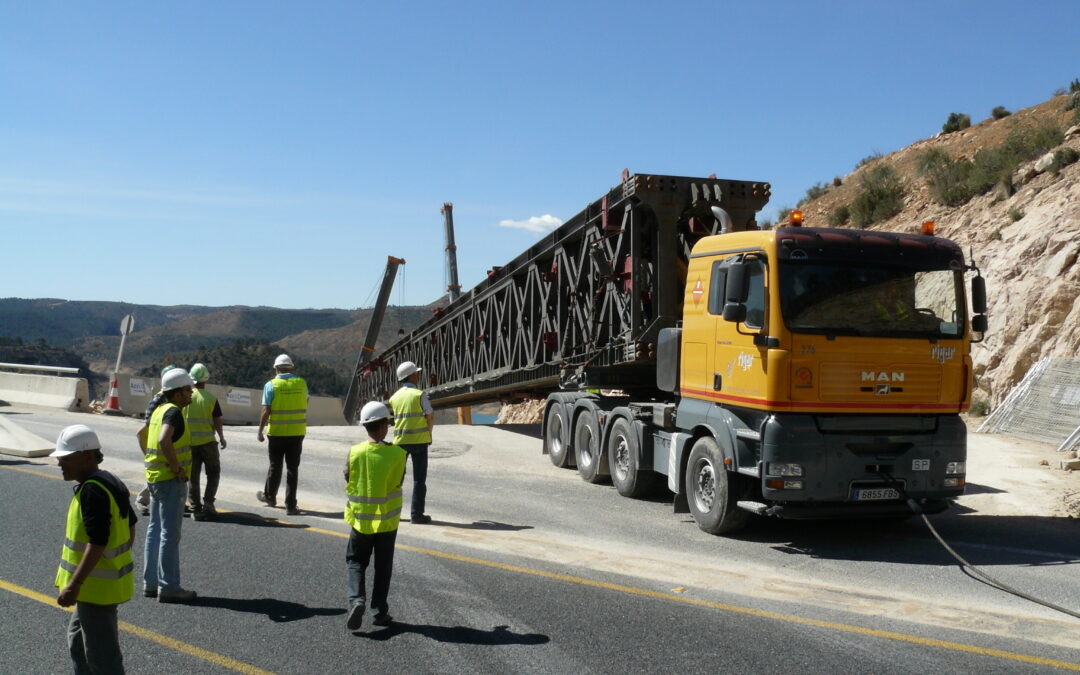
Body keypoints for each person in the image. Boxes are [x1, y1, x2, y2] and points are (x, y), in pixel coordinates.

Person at [53, 424, 136, 674]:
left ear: (87, 456)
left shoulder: (93, 491)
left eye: (66, 458)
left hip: (95, 589)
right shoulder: (109, 481)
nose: (60, 463)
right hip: (95, 588)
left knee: (103, 658)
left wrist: (74, 584)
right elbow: (131, 524)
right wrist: (117, 559)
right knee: (78, 644)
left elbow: (98, 541)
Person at [344, 401, 408, 630]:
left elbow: (348, 475)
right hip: (387, 522)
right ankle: (379, 612)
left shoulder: (355, 452)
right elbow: (399, 479)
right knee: (383, 567)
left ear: (366, 426)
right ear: (382, 426)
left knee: (356, 561)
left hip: (361, 520)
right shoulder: (399, 454)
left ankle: (356, 600)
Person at [142, 368, 197, 603]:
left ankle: (151, 583)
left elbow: (144, 435)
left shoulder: (159, 410)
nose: (191, 393)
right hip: (170, 480)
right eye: (188, 389)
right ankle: (169, 587)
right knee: (169, 534)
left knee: (154, 530)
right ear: (177, 392)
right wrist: (177, 468)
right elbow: (164, 439)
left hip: (155, 477)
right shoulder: (173, 412)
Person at [256, 353, 308, 516]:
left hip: (277, 433)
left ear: (276, 368)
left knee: (275, 466)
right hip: (297, 432)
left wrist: (260, 430)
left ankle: (270, 497)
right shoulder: (301, 383)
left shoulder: (271, 385)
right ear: (291, 368)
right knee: (292, 469)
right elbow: (306, 402)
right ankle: (291, 506)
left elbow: (266, 410)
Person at [389, 361, 434, 524]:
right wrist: (429, 433)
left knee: (396, 480)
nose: (418, 375)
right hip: (419, 442)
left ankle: (392, 512)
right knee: (419, 480)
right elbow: (430, 415)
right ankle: (416, 515)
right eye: (416, 373)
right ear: (412, 376)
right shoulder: (419, 394)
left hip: (400, 442)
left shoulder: (394, 398)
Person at [185, 363, 227, 521]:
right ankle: (209, 503)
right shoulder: (211, 399)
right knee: (213, 473)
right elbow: (217, 421)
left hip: (190, 444)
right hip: (208, 442)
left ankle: (195, 508)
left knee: (193, 476)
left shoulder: (186, 398)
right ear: (205, 379)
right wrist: (221, 437)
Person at [135, 364, 178, 517]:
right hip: (157, 441)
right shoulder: (162, 398)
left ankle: (176, 501)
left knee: (163, 472)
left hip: (158, 440)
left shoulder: (165, 396)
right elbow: (150, 423)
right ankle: (142, 499)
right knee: (159, 473)